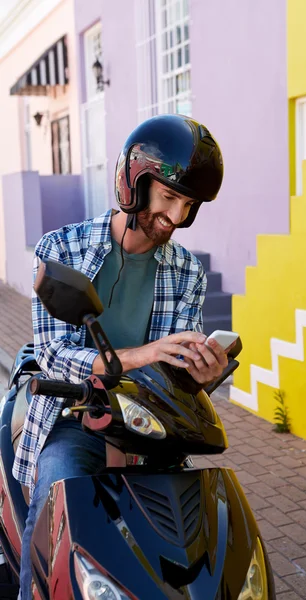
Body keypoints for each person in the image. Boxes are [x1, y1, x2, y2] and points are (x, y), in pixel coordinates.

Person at [13, 114, 229, 598]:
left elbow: (174, 371)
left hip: (151, 423)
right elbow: (51, 352)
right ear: (134, 184)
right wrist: (139, 355)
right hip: (74, 412)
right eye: (169, 198)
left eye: (187, 205)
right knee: (56, 508)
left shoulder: (187, 271)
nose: (175, 217)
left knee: (195, 542)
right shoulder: (61, 248)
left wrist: (202, 374)